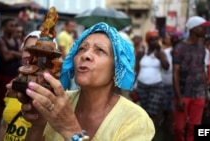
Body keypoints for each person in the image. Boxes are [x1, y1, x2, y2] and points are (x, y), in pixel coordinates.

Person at [17, 22, 155, 141]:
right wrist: (38, 125)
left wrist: (71, 131)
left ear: (117, 70)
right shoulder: (57, 103)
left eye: (100, 50)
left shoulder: (135, 120)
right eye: (82, 48)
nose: (85, 55)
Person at [0, 31, 43, 141]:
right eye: (26, 49)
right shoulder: (14, 84)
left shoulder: (49, 92)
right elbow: (5, 125)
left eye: (35, 51)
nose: (28, 55)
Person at [172, 16, 210, 141]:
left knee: (195, 127)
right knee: (179, 127)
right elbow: (175, 73)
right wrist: (178, 97)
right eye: (203, 27)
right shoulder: (179, 48)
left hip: (198, 93)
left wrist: (206, 94)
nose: (205, 30)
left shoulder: (202, 49)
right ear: (193, 29)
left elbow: (202, 71)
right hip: (183, 93)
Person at [135, 30, 169, 140]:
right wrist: (133, 85)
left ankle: (149, 135)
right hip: (142, 85)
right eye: (152, 39)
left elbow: (166, 66)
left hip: (156, 86)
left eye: (156, 39)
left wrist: (159, 54)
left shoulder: (160, 53)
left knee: (152, 111)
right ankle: (143, 133)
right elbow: (136, 69)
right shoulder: (141, 53)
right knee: (144, 111)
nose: (155, 41)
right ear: (148, 41)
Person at [0, 18, 22, 136]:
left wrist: (12, 53)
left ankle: (9, 124)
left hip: (14, 75)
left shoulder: (16, 40)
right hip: (4, 75)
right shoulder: (1, 41)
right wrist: (15, 54)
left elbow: (21, 54)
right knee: (2, 101)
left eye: (15, 25)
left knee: (13, 100)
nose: (14, 28)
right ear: (4, 27)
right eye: (11, 25)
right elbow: (5, 58)